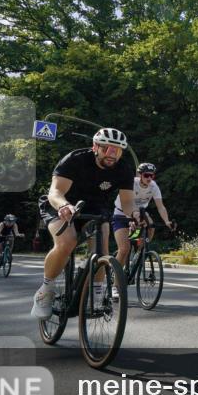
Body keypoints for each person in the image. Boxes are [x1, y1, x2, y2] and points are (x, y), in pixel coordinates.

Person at [30, 128, 139, 319]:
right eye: (107, 148)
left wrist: (135, 214)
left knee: (102, 252)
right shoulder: (75, 160)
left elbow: (128, 201)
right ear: (95, 146)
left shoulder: (124, 168)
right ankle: (45, 291)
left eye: (118, 150)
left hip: (95, 209)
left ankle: (95, 295)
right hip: (62, 204)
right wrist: (64, 206)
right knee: (67, 241)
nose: (112, 154)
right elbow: (55, 192)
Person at [112, 162, 176, 269]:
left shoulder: (153, 186)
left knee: (151, 226)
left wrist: (167, 221)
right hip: (121, 213)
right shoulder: (131, 183)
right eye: (146, 175)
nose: (149, 178)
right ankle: (115, 275)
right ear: (140, 175)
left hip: (139, 213)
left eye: (152, 175)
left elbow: (160, 206)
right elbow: (129, 204)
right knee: (124, 249)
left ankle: (140, 251)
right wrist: (132, 218)